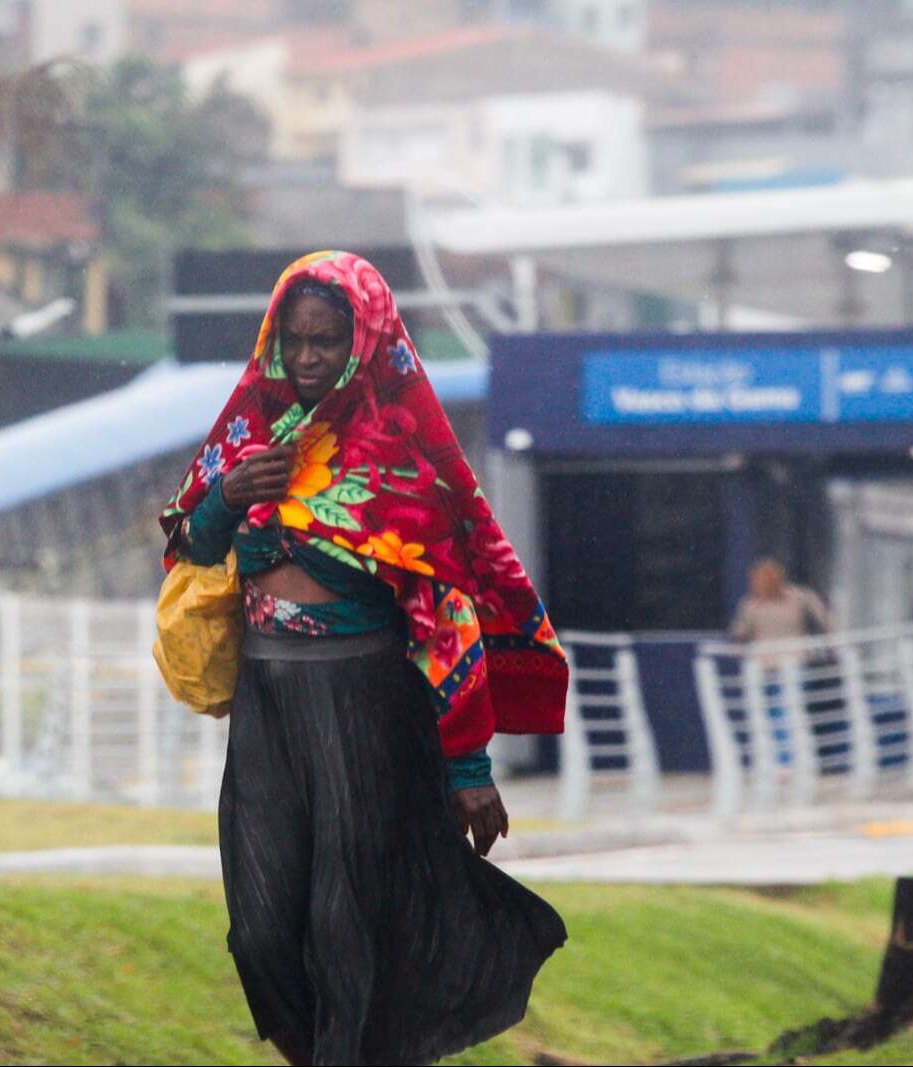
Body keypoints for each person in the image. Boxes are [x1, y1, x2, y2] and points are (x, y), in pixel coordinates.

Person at [160, 251, 570, 1066]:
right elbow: (191, 548)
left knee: (347, 924)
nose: (308, 358)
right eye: (295, 339)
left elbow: (445, 613)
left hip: (367, 706)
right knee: (262, 927)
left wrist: (468, 767)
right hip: (267, 705)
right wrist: (228, 498)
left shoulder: (403, 453)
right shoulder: (251, 435)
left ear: (366, 339)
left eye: (326, 340)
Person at [729, 558, 833, 767]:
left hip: (768, 664)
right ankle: (787, 761)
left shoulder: (754, 604)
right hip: (790, 663)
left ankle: (783, 762)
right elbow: (826, 620)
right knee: (785, 713)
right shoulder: (799, 597)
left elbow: (739, 633)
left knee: (776, 714)